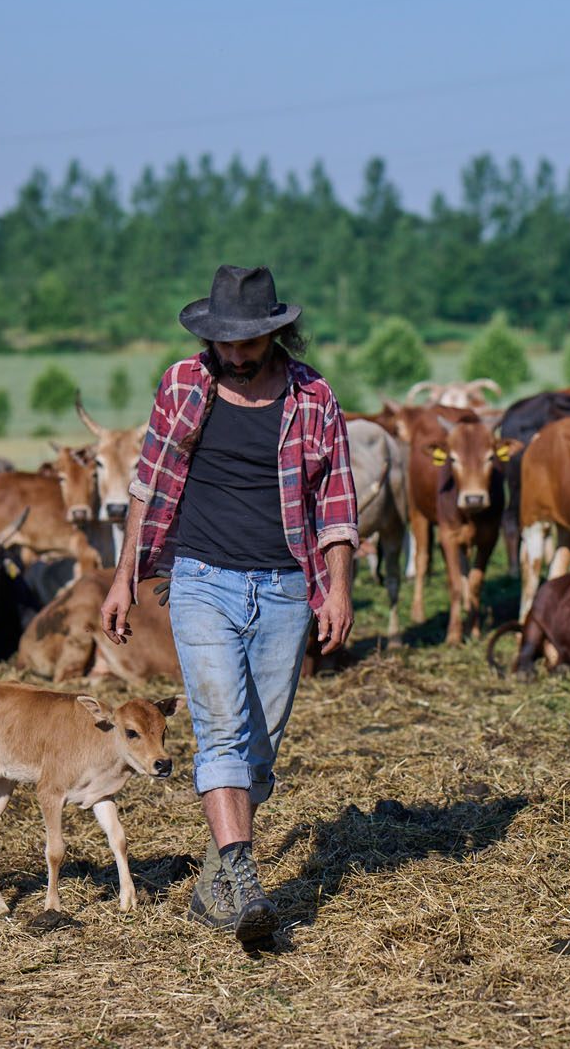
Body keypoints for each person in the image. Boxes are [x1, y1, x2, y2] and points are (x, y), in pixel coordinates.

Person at [100, 264, 357, 944]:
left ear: (277, 333)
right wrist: (124, 575)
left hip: (284, 587)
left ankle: (215, 878)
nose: (237, 355)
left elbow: (335, 501)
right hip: (200, 580)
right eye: (227, 342)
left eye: (250, 342)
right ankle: (243, 882)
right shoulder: (185, 384)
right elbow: (147, 484)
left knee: (259, 751)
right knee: (220, 731)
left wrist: (338, 586)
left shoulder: (313, 397)